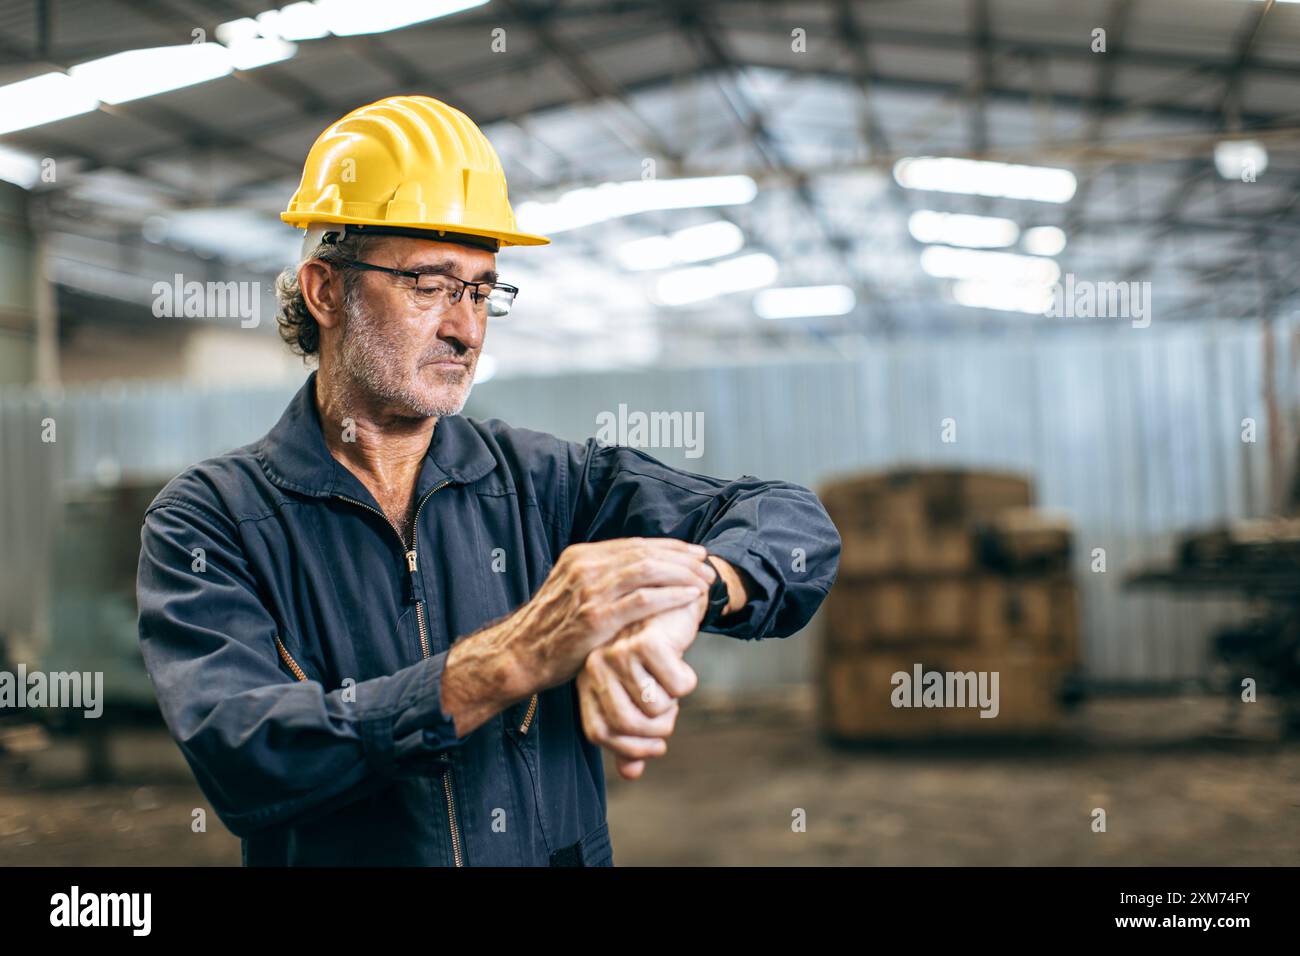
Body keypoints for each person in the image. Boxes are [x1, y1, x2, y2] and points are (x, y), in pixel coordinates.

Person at [136, 95, 840, 866]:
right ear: (325, 291)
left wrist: (692, 590)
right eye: (430, 285)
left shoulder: (544, 482)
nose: (466, 328)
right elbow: (244, 755)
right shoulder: (213, 521)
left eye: (481, 290)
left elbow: (790, 522)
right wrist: (512, 659)